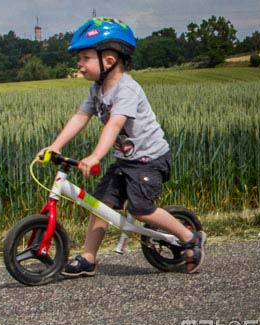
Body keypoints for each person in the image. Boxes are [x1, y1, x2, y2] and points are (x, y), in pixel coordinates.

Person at [36, 17, 206, 276]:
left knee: (140, 209)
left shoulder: (127, 89)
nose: (79, 66)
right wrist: (55, 146)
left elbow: (114, 125)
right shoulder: (97, 89)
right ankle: (89, 258)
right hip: (126, 160)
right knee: (100, 205)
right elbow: (81, 117)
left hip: (148, 160)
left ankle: (189, 237)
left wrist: (94, 156)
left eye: (84, 58)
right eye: (79, 60)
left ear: (109, 60)